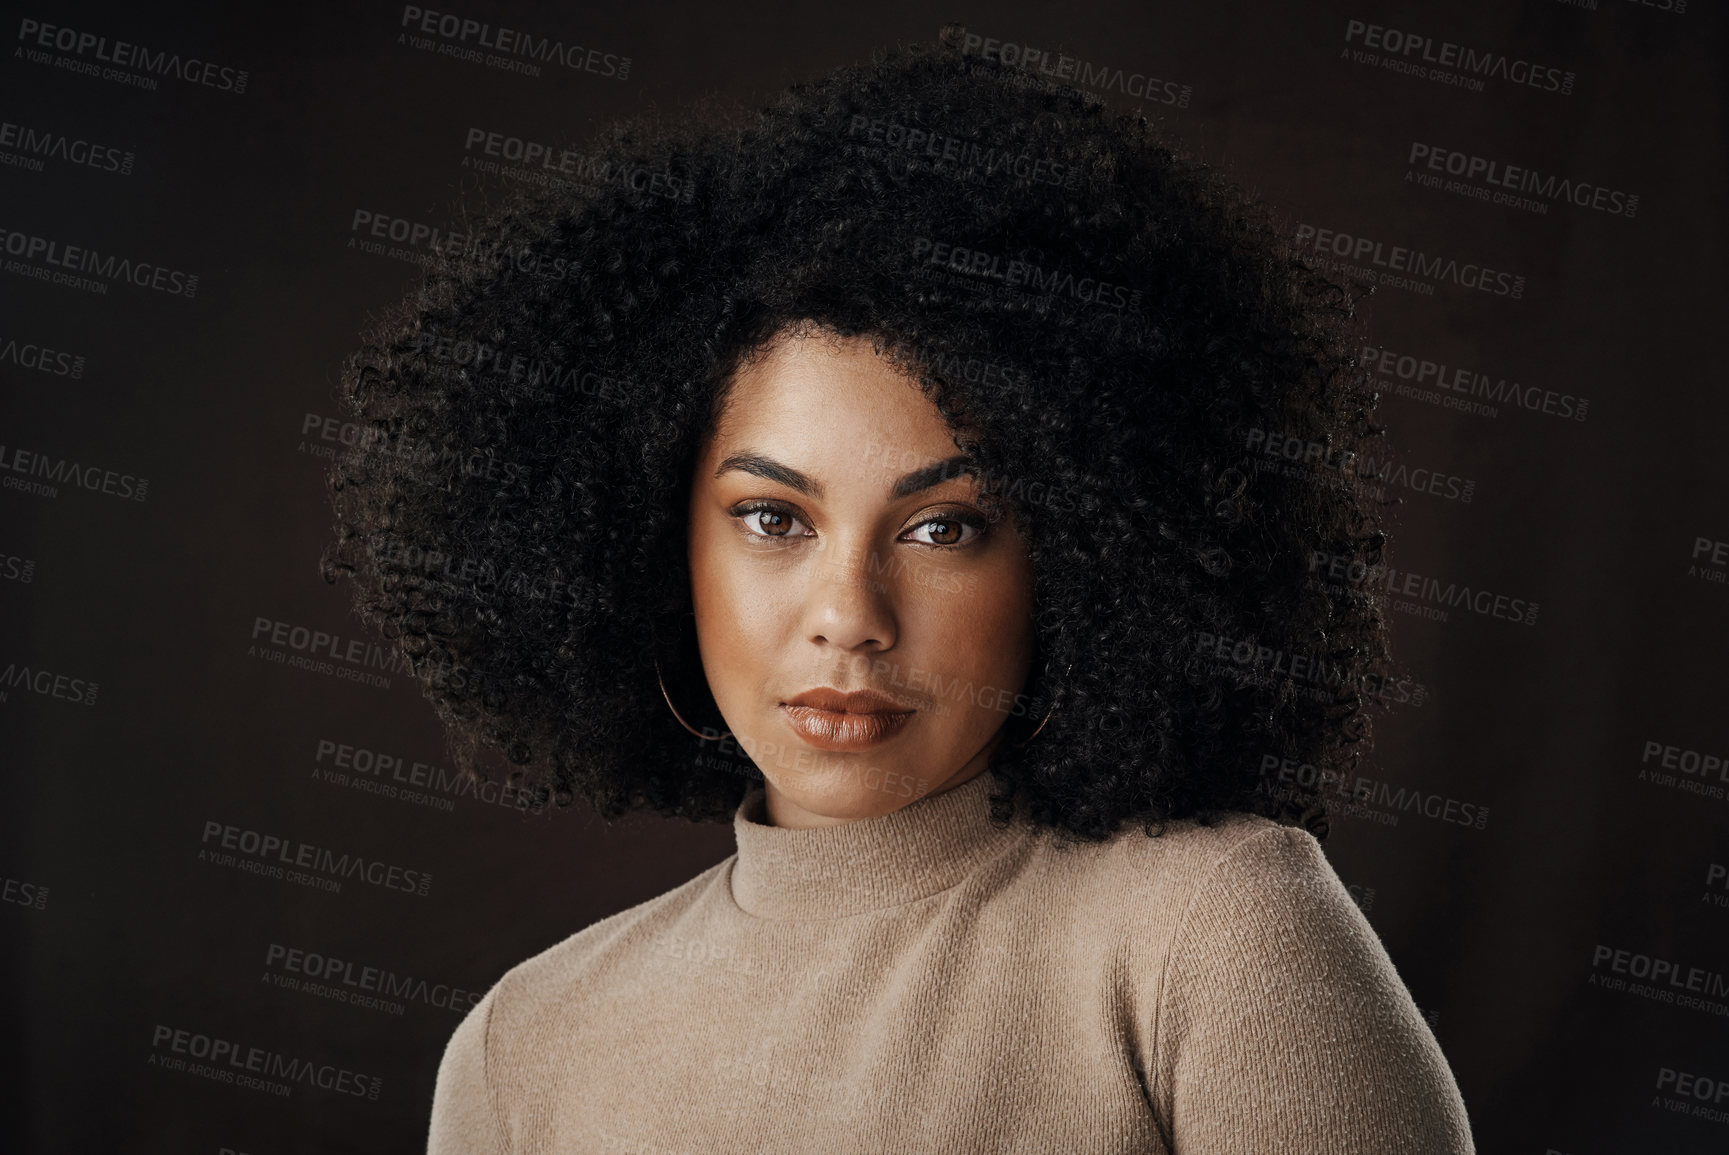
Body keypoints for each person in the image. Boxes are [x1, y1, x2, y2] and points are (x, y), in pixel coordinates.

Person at [323, 24, 1473, 1154]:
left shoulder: (1217, 933)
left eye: (941, 527)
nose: (849, 619)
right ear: (645, 544)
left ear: (1078, 556)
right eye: (772, 519)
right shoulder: (524, 1045)